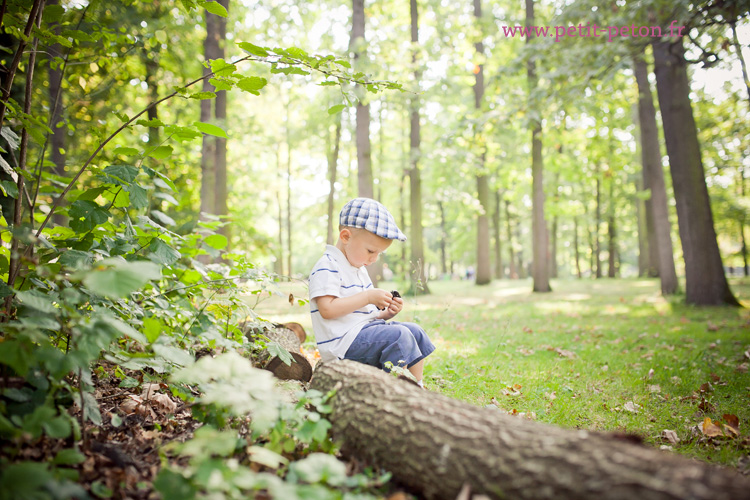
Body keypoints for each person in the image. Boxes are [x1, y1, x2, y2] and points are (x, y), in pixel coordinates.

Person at [308, 197, 435, 388]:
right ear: (345, 237)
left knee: (414, 331)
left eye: (378, 254)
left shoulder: (358, 269)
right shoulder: (327, 266)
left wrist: (387, 313)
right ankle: (393, 391)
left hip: (362, 334)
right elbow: (327, 309)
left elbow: (365, 316)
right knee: (399, 336)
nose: (374, 259)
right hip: (342, 346)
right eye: (370, 251)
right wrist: (367, 296)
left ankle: (418, 387)